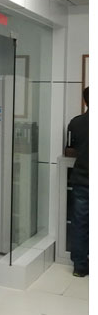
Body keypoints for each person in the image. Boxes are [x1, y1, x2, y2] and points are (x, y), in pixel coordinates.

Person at [65, 87, 89, 277]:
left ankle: (80, 267)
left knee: (80, 223)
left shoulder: (76, 122)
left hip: (82, 179)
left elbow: (69, 150)